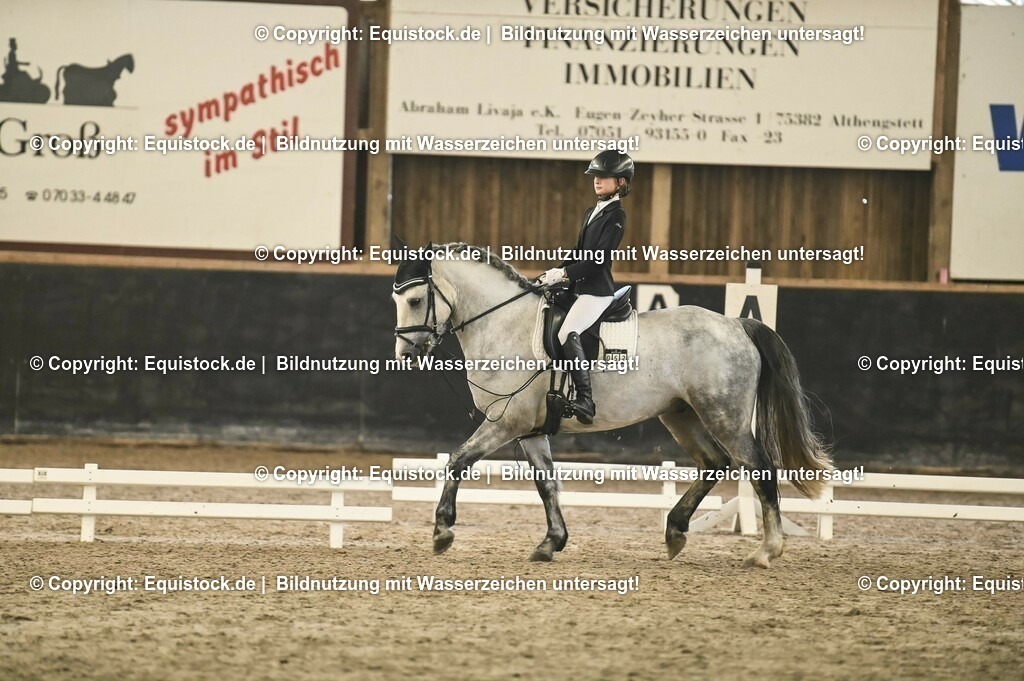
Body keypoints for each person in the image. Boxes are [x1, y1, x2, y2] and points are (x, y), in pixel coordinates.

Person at [538, 150, 633, 424]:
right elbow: (579, 251)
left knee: (568, 332)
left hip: (596, 291)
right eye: (595, 176)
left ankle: (585, 400)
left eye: (605, 177)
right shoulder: (591, 212)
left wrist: (566, 273)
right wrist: (555, 272)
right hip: (578, 287)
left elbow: (597, 260)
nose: (597, 181)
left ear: (621, 183)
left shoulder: (617, 216)